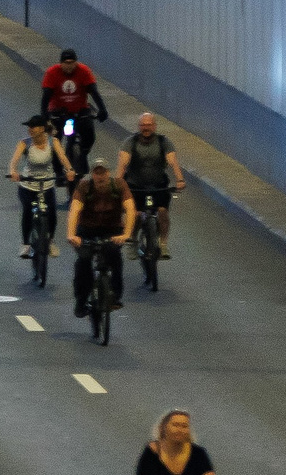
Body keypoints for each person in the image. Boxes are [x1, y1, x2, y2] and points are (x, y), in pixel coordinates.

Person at [68, 156, 136, 317]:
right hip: (87, 231)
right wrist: (71, 235)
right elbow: (75, 211)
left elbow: (130, 209)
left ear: (108, 173)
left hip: (112, 231)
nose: (100, 176)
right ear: (92, 174)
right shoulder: (84, 186)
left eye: (103, 172)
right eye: (97, 173)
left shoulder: (119, 185)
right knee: (83, 262)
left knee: (115, 257)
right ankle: (81, 301)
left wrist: (126, 234)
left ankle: (115, 296)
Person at [6, 115, 75, 259]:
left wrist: (69, 170)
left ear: (42, 129)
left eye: (33, 127)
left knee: (52, 213)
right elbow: (14, 160)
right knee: (27, 211)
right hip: (28, 185)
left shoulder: (53, 142)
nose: (30, 129)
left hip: (46, 185)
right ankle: (26, 245)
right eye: (29, 127)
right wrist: (13, 171)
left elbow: (63, 158)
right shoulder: (24, 143)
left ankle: (50, 241)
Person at [118, 113, 187, 258]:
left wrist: (180, 179)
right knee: (136, 214)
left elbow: (173, 161)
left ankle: (163, 244)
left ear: (154, 126)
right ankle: (133, 242)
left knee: (162, 212)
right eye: (143, 125)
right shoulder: (130, 142)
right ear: (139, 127)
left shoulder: (163, 142)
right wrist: (117, 182)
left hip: (158, 185)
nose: (146, 128)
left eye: (149, 125)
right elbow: (123, 164)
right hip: (135, 186)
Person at [39, 47, 108, 133]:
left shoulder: (84, 71)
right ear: (61, 63)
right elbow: (46, 95)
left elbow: (94, 92)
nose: (69, 66)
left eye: (71, 63)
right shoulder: (52, 72)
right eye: (66, 63)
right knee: (54, 136)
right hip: (57, 110)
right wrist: (44, 113)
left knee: (89, 134)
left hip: (80, 110)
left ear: (76, 63)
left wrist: (102, 109)